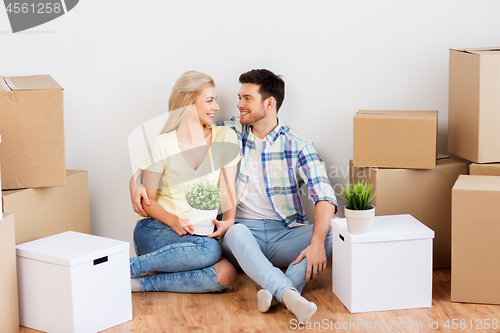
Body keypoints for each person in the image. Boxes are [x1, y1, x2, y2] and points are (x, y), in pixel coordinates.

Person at [130, 69, 337, 323]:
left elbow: (324, 195)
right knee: (231, 235)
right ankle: (285, 291)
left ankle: (278, 291)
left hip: (285, 232)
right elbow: (174, 140)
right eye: (238, 97)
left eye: (247, 98)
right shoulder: (232, 131)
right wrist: (135, 178)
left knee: (335, 234)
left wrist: (316, 243)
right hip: (240, 232)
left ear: (269, 103)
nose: (237, 104)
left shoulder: (297, 145)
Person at [129, 71, 240, 293]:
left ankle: (139, 283)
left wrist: (229, 220)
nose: (216, 107)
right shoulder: (162, 145)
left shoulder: (225, 138)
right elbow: (148, 201)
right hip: (157, 230)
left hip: (198, 234)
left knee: (226, 274)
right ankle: (126, 268)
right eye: (209, 100)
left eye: (215, 100)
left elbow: (226, 188)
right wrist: (174, 221)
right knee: (209, 251)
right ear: (189, 103)